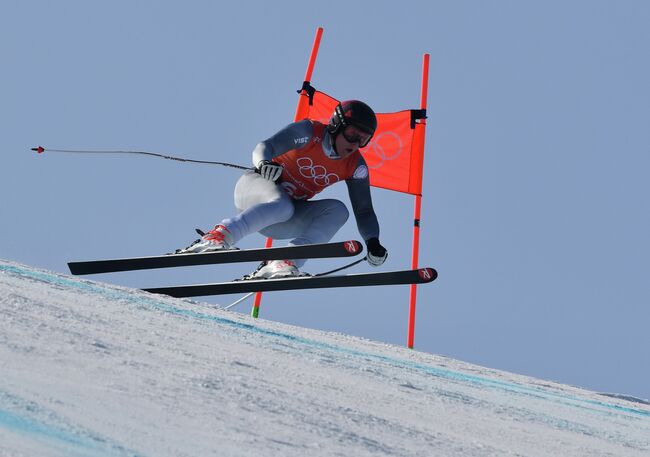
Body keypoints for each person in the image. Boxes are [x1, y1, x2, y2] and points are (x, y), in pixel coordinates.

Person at [177, 100, 388, 279]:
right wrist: (264, 163)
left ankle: (285, 260)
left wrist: (373, 241)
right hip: (253, 192)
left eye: (364, 139)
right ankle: (219, 236)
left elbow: (364, 211)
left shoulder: (355, 166)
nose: (355, 144)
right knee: (283, 206)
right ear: (336, 125)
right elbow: (264, 146)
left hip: (284, 219)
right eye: (352, 134)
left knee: (339, 210)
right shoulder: (308, 132)